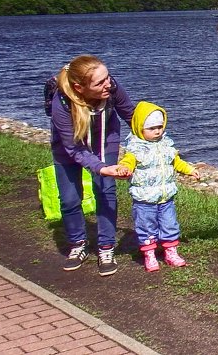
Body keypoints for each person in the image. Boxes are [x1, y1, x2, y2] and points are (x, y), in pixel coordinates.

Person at [49, 54, 136, 276]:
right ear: (79, 88)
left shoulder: (112, 87)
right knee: (69, 198)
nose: (109, 84)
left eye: (107, 77)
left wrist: (155, 143)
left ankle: (106, 247)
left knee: (106, 190)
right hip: (68, 148)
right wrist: (99, 167)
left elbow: (132, 116)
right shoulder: (62, 103)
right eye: (100, 83)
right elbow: (73, 149)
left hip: (104, 140)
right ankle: (78, 244)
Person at [120, 101, 199, 272]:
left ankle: (170, 251)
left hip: (165, 196)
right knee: (146, 225)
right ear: (140, 128)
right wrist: (125, 168)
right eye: (151, 128)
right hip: (144, 198)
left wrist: (189, 170)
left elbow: (176, 162)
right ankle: (149, 253)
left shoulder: (166, 145)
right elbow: (128, 161)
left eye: (160, 127)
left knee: (169, 224)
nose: (157, 131)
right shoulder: (135, 148)